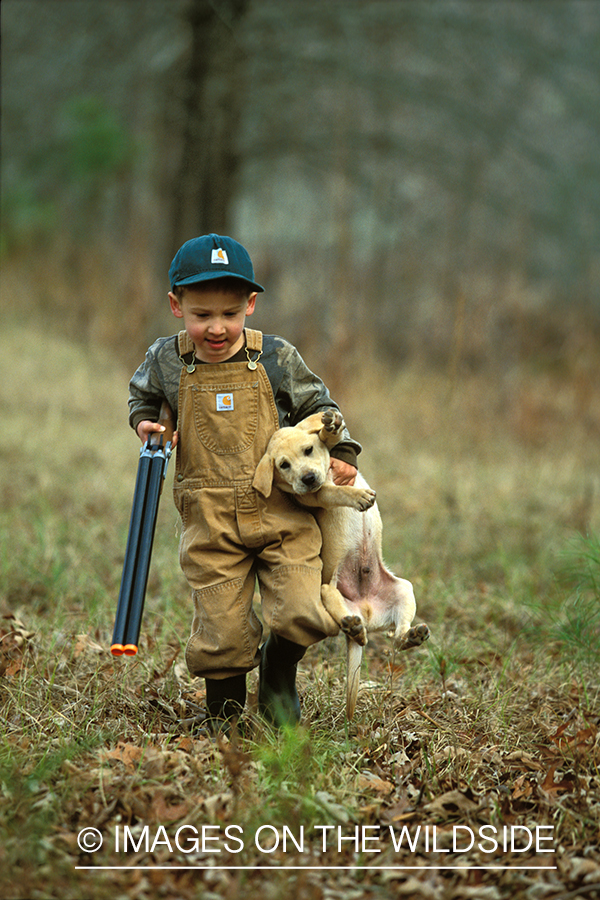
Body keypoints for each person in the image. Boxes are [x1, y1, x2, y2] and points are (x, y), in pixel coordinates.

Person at [128, 233, 361, 731]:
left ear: (250, 305)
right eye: (202, 315)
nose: (216, 327)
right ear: (176, 305)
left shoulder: (274, 357)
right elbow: (142, 396)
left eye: (230, 314)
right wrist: (147, 421)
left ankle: (279, 676)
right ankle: (226, 713)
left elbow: (320, 407)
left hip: (284, 512)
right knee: (222, 625)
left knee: (303, 606)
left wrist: (340, 451)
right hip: (209, 518)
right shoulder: (167, 360)